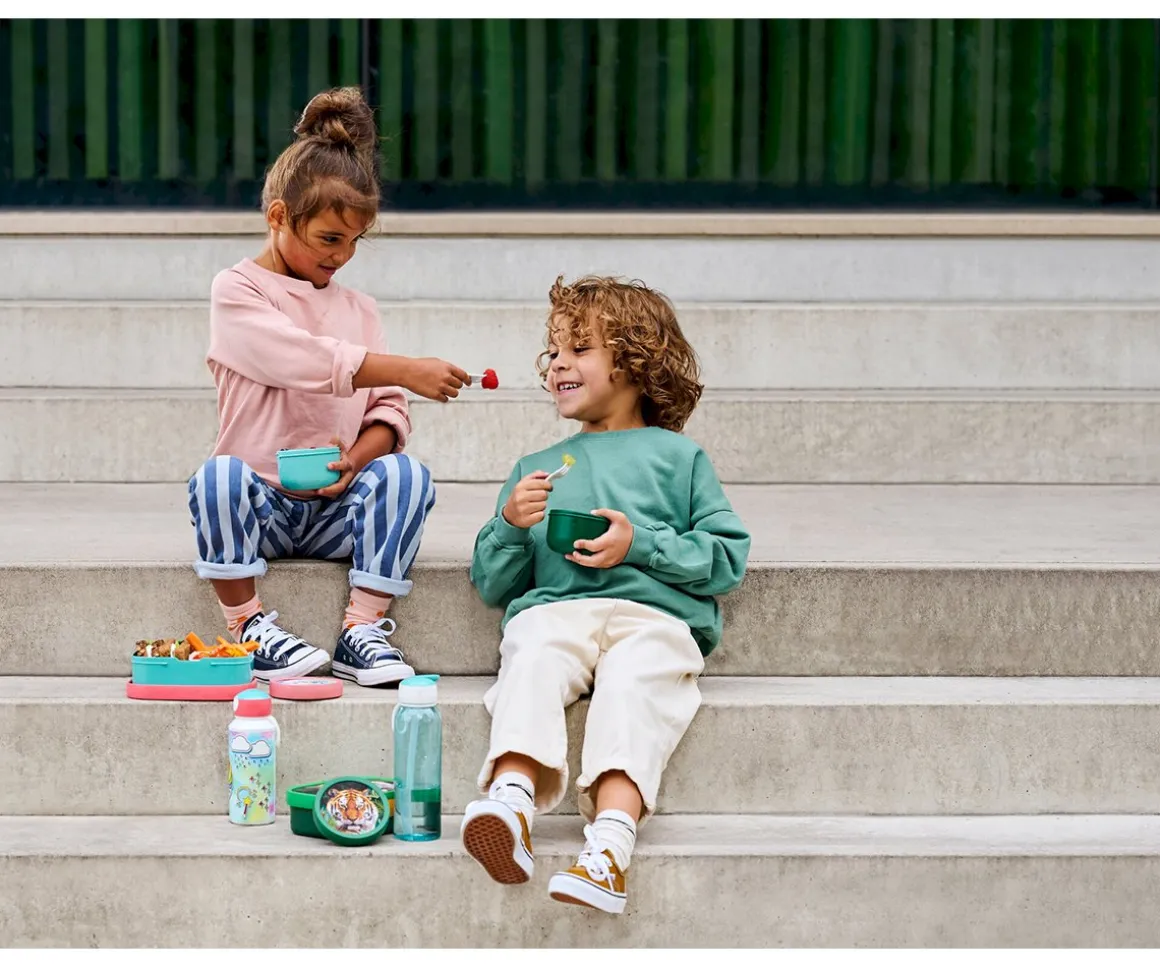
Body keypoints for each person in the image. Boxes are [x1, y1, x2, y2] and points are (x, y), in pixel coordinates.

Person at [461, 275, 751, 914]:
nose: (558, 363)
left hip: (655, 617)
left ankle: (610, 848)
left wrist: (639, 544)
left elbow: (726, 558)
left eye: (580, 348)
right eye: (554, 351)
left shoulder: (679, 458)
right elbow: (493, 583)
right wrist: (510, 524)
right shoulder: (536, 468)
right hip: (558, 611)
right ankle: (509, 803)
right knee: (532, 653)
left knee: (635, 687)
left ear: (634, 362)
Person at [187, 87, 469, 687]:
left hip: (337, 508)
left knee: (407, 475)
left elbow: (387, 410)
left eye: (354, 241)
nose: (342, 256)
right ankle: (246, 627)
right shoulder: (238, 290)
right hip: (262, 504)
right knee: (216, 479)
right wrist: (405, 367)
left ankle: (361, 630)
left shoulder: (360, 309)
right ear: (279, 218)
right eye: (329, 239)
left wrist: (356, 461)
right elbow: (298, 358)